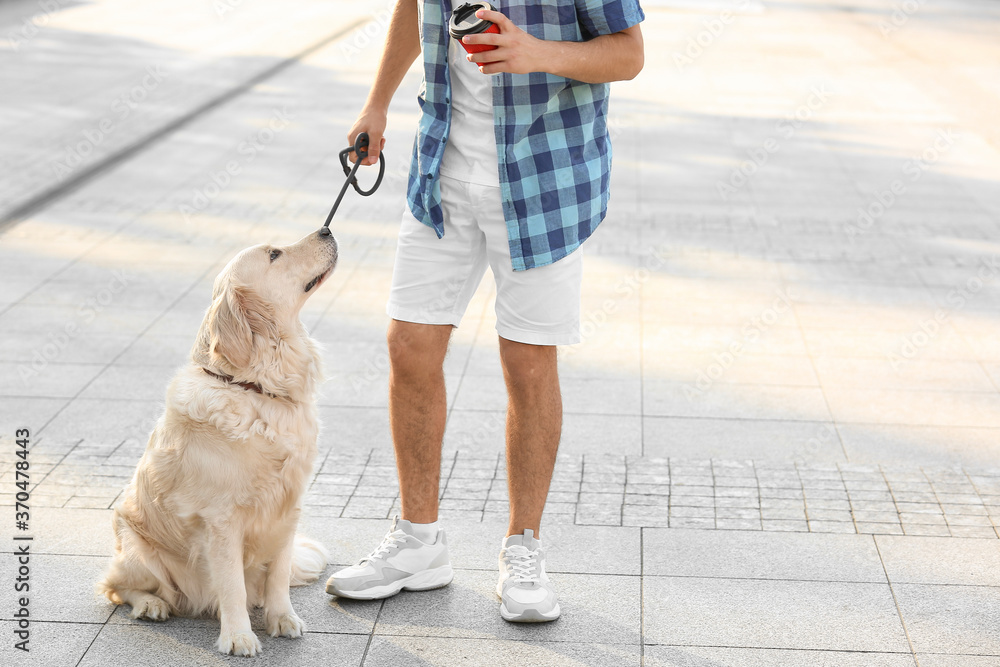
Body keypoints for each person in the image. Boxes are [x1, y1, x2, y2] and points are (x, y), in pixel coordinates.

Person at [325, 0, 644, 622]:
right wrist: (377, 101)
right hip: (442, 168)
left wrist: (535, 53)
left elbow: (629, 54)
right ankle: (420, 541)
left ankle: (523, 548)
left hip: (542, 179)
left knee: (526, 362)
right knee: (408, 345)